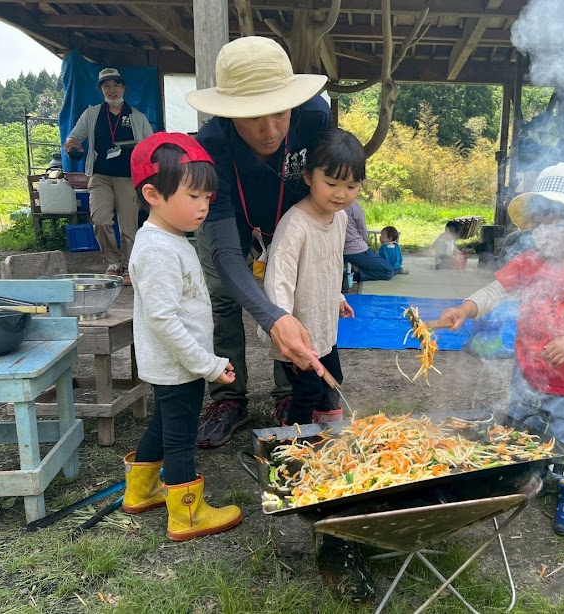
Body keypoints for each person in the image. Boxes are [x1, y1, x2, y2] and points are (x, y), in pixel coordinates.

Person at [437, 163, 564, 536]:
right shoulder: (530, 262)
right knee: (523, 426)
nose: (538, 232)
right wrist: (465, 308)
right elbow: (495, 291)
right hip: (527, 369)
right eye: (535, 223)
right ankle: (527, 474)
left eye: (548, 223)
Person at [185, 36, 329, 448]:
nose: (270, 132)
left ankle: (290, 391)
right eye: (253, 119)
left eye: (280, 114)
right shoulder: (210, 145)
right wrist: (270, 318)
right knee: (223, 303)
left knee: (293, 300)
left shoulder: (316, 117)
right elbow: (227, 253)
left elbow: (326, 188)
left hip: (290, 222)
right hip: (231, 227)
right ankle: (229, 397)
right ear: (230, 115)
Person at [122, 132, 242, 541]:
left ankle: (140, 491)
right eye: (193, 196)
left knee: (164, 423)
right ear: (153, 193)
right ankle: (186, 515)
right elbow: (164, 320)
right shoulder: (157, 250)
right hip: (178, 363)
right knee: (180, 436)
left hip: (176, 363)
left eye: (207, 197)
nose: (204, 206)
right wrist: (208, 365)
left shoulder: (170, 237)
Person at [263, 128, 359, 426]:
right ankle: (293, 447)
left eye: (352, 186)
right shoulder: (295, 225)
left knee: (334, 380)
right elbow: (278, 280)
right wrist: (283, 324)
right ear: (308, 177)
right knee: (307, 389)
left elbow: (330, 264)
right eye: (331, 183)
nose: (341, 194)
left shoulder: (340, 217)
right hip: (298, 331)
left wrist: (338, 296)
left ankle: (328, 442)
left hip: (323, 323)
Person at [64, 67, 154, 286]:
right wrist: (73, 147)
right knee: (100, 219)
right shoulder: (92, 114)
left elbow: (151, 145)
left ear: (124, 87)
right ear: (101, 89)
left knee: (128, 225)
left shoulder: (136, 116)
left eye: (116, 85)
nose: (111, 90)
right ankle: (112, 262)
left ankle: (129, 266)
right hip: (100, 175)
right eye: (106, 85)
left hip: (127, 177)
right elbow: (74, 137)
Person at [343, 200, 395, 282]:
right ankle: (354, 274)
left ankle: (353, 270)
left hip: (341, 251)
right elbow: (362, 227)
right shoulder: (352, 203)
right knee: (388, 271)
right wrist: (365, 243)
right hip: (357, 249)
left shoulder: (329, 204)